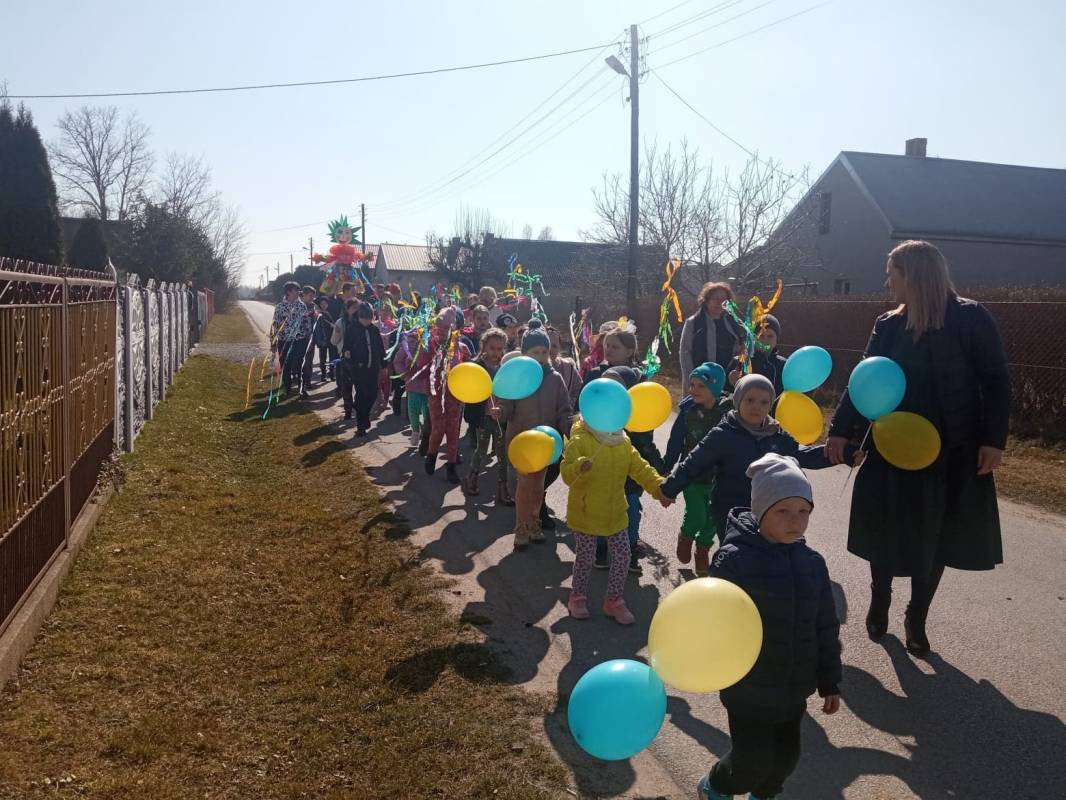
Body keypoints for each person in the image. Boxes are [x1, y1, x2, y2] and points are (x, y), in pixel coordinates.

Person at [826, 240, 1010, 656]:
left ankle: (917, 616)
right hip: (891, 444)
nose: (887, 283)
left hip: (951, 449)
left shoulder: (971, 318)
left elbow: (996, 382)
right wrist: (840, 430)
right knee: (885, 527)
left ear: (912, 275)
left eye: (891, 274)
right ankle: (880, 598)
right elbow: (865, 379)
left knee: (935, 535)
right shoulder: (888, 324)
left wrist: (992, 440)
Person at [697, 452, 841, 800]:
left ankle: (763, 796)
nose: (795, 521)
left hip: (793, 688)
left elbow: (825, 625)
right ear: (761, 511)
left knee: (785, 761)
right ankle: (716, 786)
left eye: (803, 511)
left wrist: (829, 680)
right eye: (783, 511)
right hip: (749, 688)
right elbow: (714, 620)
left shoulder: (813, 563)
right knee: (751, 761)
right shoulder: (734, 559)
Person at [660, 375, 860, 530]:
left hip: (765, 509)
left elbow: (803, 454)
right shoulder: (724, 433)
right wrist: (669, 489)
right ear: (738, 401)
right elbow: (695, 462)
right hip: (729, 510)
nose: (756, 407)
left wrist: (846, 454)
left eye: (764, 402)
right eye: (750, 400)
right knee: (736, 555)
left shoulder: (776, 433)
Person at [560, 413, 669, 624]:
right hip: (586, 512)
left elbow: (641, 469)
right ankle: (577, 598)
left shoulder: (622, 440)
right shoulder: (580, 439)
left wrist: (660, 488)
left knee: (623, 556)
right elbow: (567, 474)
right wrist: (578, 467)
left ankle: (614, 601)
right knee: (585, 557)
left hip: (615, 512)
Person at [493, 320, 572, 548]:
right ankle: (520, 528)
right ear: (524, 353)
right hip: (522, 441)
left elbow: (564, 410)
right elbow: (507, 404)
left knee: (539, 485)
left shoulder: (555, 379)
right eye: (535, 352)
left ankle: (534, 523)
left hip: (546, 442)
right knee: (524, 484)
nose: (541, 356)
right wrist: (500, 412)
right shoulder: (518, 377)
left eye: (544, 352)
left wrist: (571, 428)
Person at [664, 362, 731, 575]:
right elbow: (675, 441)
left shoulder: (728, 412)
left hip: (718, 477)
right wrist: (667, 467)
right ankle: (686, 535)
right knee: (697, 514)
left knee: (713, 518)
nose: (693, 390)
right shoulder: (687, 411)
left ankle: (702, 549)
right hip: (691, 474)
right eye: (692, 385)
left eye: (700, 386)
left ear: (715, 388)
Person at [595, 366, 664, 575]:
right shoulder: (596, 414)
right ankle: (601, 548)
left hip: (630, 480)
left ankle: (631, 549)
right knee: (601, 513)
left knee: (631, 514)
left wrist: (661, 470)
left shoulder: (636, 417)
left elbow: (646, 447)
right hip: (603, 477)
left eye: (616, 385)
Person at [425, 308, 472, 483]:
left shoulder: (462, 348)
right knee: (438, 428)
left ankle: (451, 466)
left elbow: (470, 370)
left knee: (453, 431)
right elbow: (419, 365)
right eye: (439, 326)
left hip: (455, 395)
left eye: (446, 327)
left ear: (454, 327)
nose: (442, 330)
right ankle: (431, 454)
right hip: (436, 394)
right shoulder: (429, 346)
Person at [462, 328, 509, 499]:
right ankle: (472, 477)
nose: (496, 352)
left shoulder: (506, 367)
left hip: (501, 417)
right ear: (484, 346)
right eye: (492, 348)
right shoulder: (477, 366)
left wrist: (503, 410)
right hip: (483, 418)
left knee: (502, 453)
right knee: (481, 450)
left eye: (499, 349)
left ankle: (503, 486)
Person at [336, 301, 385, 434]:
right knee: (361, 395)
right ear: (359, 317)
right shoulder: (352, 329)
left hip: (373, 368)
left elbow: (380, 348)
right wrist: (348, 356)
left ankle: (364, 413)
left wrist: (384, 364)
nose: (366, 321)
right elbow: (346, 346)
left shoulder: (374, 330)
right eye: (364, 318)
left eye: (369, 318)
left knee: (372, 394)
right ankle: (361, 425)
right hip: (358, 369)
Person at [679, 281, 742, 379]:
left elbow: (740, 350)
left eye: (724, 299)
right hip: (702, 380)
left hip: (728, 380)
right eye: (716, 298)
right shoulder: (693, 323)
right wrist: (691, 379)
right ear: (706, 300)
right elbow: (685, 354)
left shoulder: (733, 323)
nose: (720, 303)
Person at [271, 281, 314, 398]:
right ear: (289, 292)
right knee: (286, 365)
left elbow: (307, 322)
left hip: (300, 340)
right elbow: (275, 324)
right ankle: (287, 388)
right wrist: (273, 342)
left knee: (300, 364)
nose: (298, 292)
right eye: (296, 290)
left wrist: (309, 338)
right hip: (284, 341)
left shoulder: (302, 306)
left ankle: (302, 389)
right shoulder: (280, 307)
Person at [727, 313, 787, 397]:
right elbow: (725, 393)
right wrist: (730, 382)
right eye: (761, 336)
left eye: (770, 336)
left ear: (777, 339)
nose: (765, 340)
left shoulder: (784, 365)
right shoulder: (740, 362)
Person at [393, 327, 430, 448]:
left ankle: (427, 433)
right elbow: (398, 361)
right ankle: (415, 431)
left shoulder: (430, 344)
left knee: (427, 412)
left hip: (427, 386)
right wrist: (404, 374)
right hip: (412, 385)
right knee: (413, 411)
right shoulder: (407, 345)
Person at [311, 296, 336, 382]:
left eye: (325, 303)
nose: (324, 305)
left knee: (332, 357)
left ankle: (331, 374)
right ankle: (323, 374)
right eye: (322, 303)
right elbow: (320, 326)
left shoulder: (328, 313)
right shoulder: (318, 314)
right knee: (323, 358)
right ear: (320, 305)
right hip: (322, 339)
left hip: (331, 338)